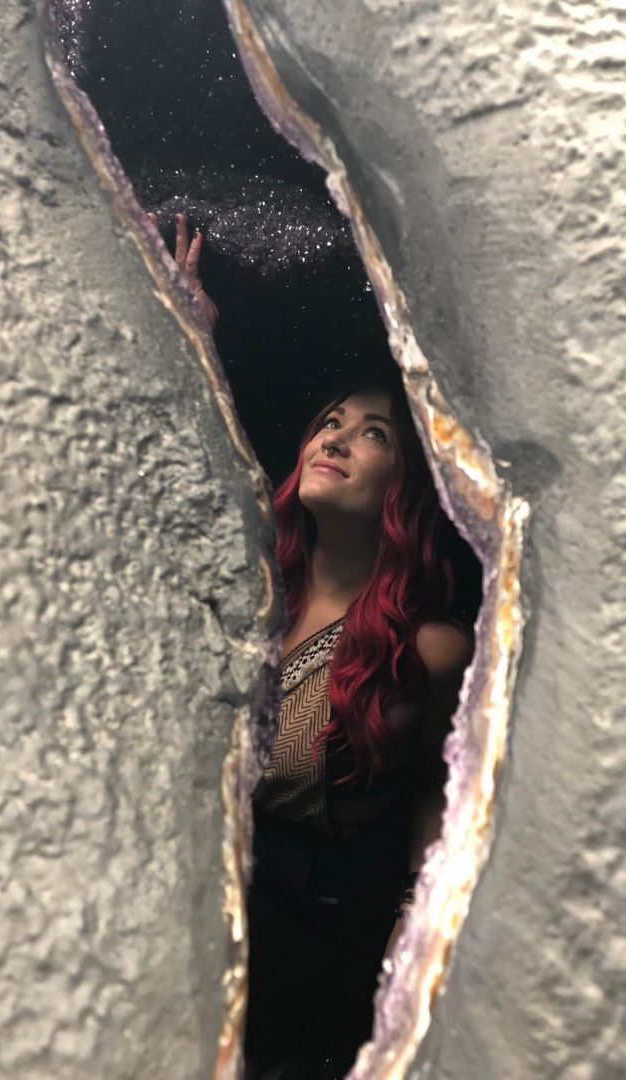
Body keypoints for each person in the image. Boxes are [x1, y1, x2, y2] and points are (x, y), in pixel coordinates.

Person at [151, 214, 474, 1080]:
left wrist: (420, 933)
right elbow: (186, 473)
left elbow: (441, 803)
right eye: (329, 421)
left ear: (406, 482)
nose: (334, 436)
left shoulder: (432, 648)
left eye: (373, 432)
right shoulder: (253, 583)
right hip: (198, 914)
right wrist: (189, 335)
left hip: (325, 965)